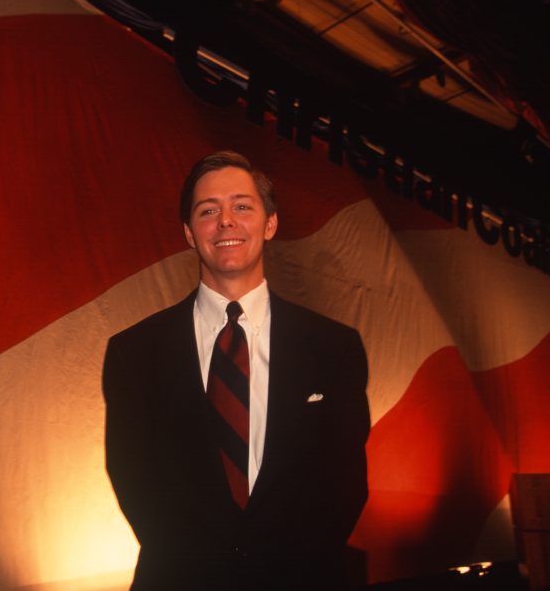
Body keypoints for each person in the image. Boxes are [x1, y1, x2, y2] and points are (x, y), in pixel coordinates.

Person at [102, 150, 370, 590]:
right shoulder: (134, 352)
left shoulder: (334, 348)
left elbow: (344, 485)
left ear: (270, 224)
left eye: (241, 206)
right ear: (189, 233)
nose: (226, 221)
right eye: (208, 211)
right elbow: (133, 479)